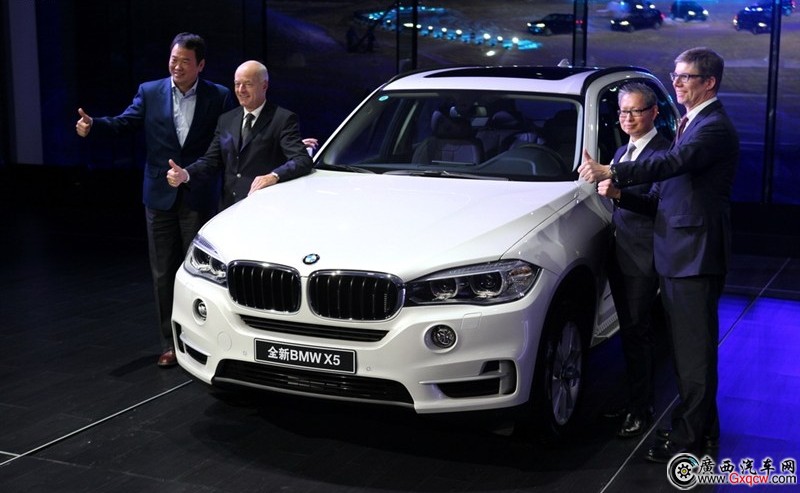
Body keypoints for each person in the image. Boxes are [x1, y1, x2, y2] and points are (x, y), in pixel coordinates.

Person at [578, 47, 739, 463]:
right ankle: (704, 433)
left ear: (709, 82)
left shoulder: (713, 126)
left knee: (693, 356)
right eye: (675, 75)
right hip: (681, 254)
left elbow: (674, 162)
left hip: (693, 255)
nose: (677, 83)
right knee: (690, 354)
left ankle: (687, 441)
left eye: (686, 76)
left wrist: (614, 172)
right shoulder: (693, 121)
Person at [75, 32, 235, 368]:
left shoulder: (219, 96)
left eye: (185, 61)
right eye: (174, 59)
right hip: (159, 196)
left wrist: (192, 174)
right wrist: (94, 125)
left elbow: (221, 145)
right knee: (163, 272)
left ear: (201, 65)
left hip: (197, 194)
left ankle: (204, 339)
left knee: (201, 274)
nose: (177, 66)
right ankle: (170, 343)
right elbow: (124, 123)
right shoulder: (150, 92)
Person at [598, 82, 670, 439]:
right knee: (629, 331)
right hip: (621, 252)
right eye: (623, 111)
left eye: (636, 111)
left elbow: (658, 204)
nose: (627, 118)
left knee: (639, 333)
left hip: (643, 255)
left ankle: (641, 409)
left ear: (653, 112)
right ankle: (632, 400)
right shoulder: (621, 150)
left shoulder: (664, 152)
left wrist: (618, 194)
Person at [167, 60, 313, 209]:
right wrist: (185, 174)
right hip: (230, 208)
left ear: (264, 85)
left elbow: (302, 160)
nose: (241, 90)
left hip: (266, 206)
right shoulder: (226, 119)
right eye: (237, 84)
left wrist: (274, 176)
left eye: (248, 84)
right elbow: (211, 160)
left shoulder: (282, 119)